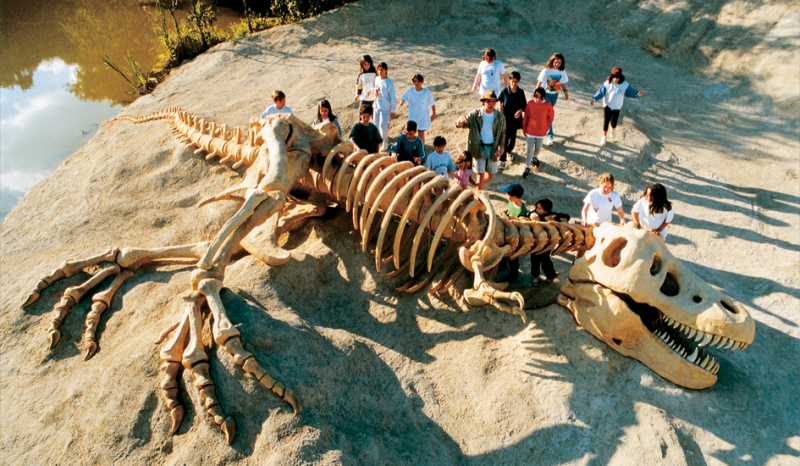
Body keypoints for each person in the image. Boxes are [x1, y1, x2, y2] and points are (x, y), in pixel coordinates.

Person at [454, 90, 506, 190]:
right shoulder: (474, 114)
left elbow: (503, 133)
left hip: (493, 149)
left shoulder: (500, 117)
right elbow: (462, 123)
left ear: (495, 102)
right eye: (488, 101)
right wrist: (459, 122)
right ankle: (479, 198)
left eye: (493, 101)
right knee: (480, 176)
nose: (490, 104)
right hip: (478, 149)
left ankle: (477, 187)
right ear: (483, 102)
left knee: (490, 176)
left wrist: (502, 147)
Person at [590, 67, 644, 146]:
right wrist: (594, 99)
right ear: (612, 76)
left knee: (614, 122)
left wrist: (637, 94)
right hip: (607, 104)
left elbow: (630, 92)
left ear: (620, 77)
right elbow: (600, 92)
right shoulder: (607, 83)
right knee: (606, 121)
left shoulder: (625, 85)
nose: (616, 79)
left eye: (617, 77)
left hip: (617, 107)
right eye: (614, 77)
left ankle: (613, 129)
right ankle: (604, 137)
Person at [529, 198, 570, 284]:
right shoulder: (535, 214)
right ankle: (535, 276)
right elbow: (529, 214)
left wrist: (554, 219)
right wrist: (532, 215)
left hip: (546, 243)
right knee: (534, 260)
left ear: (546, 210)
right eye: (537, 208)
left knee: (545, 261)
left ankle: (550, 276)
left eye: (539, 208)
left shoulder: (551, 216)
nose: (537, 210)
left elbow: (566, 216)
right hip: (535, 242)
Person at [520, 87, 554, 179]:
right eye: (536, 96)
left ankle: (534, 157)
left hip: (541, 131)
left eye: (540, 97)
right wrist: (524, 128)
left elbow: (550, 117)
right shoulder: (530, 104)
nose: (538, 99)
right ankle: (527, 167)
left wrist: (546, 127)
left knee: (538, 149)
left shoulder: (548, 105)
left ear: (544, 97)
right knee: (529, 149)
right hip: (531, 131)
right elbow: (526, 116)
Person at [536, 53, 569, 145]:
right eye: (555, 62)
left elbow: (562, 82)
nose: (557, 64)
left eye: (559, 62)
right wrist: (536, 95)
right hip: (545, 94)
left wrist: (565, 91)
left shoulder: (561, 71)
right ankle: (550, 136)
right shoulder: (546, 70)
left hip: (555, 94)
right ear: (552, 61)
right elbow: (539, 83)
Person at [497, 71, 527, 170]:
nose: (514, 83)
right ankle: (502, 160)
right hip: (505, 119)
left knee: (512, 141)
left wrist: (520, 111)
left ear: (518, 82)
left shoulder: (521, 92)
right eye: (512, 81)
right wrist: (500, 107)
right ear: (509, 80)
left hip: (514, 120)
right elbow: (499, 100)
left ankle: (508, 151)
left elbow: (524, 106)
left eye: (516, 82)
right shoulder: (505, 91)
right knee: (504, 140)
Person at [498, 183, 528, 282]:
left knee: (513, 257)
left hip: (515, 236)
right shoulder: (511, 203)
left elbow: (519, 224)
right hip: (506, 231)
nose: (506, 195)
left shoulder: (521, 210)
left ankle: (514, 274)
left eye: (507, 194)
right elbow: (508, 210)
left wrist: (509, 219)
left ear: (514, 197)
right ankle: (501, 265)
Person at [400, 74, 436, 144]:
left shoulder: (426, 92)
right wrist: (402, 101)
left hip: (422, 117)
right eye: (415, 81)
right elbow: (404, 98)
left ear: (422, 82)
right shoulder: (410, 91)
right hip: (412, 117)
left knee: (421, 135)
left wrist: (434, 113)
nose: (417, 83)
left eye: (419, 81)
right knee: (410, 134)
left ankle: (422, 149)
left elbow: (432, 103)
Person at [373, 62, 397, 151]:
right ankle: (377, 142)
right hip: (376, 106)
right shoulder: (376, 79)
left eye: (382, 70)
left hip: (385, 108)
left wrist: (393, 110)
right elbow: (375, 90)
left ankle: (385, 142)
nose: (380, 71)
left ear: (386, 70)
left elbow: (393, 97)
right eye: (378, 69)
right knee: (375, 126)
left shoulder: (389, 83)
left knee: (382, 127)